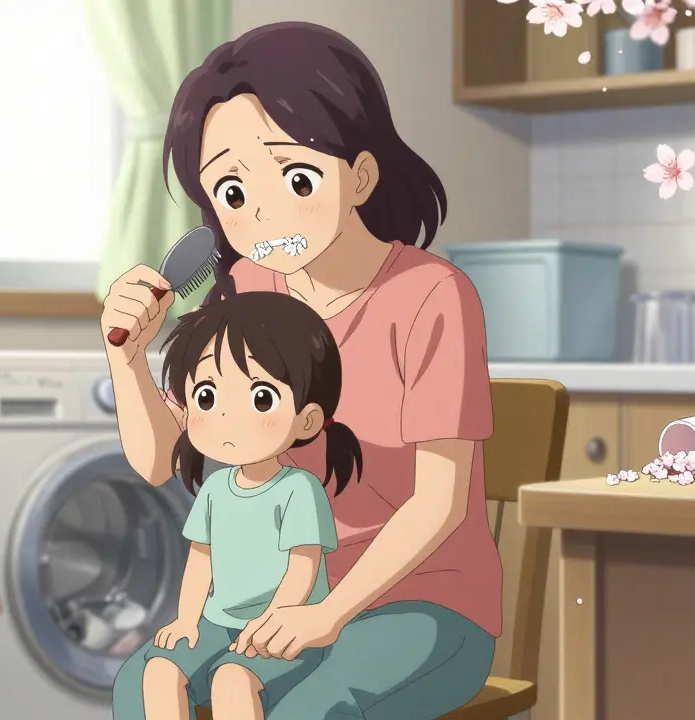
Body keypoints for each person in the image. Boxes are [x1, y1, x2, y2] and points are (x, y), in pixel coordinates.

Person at [102, 20, 500, 720]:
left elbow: (439, 501)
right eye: (230, 192)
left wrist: (332, 613)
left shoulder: (431, 294)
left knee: (309, 710)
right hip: (270, 601)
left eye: (294, 176)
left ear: (361, 175)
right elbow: (162, 459)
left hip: (422, 609)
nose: (261, 211)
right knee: (145, 682)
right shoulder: (245, 291)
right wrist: (127, 358)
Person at [130, 290, 361, 720]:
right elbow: (201, 559)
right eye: (207, 397)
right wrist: (187, 619)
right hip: (219, 622)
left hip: (285, 627)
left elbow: (302, 567)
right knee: (159, 671)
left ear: (306, 420)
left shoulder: (298, 489)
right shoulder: (216, 488)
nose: (225, 418)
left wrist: (273, 622)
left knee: (231, 680)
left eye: (260, 399)